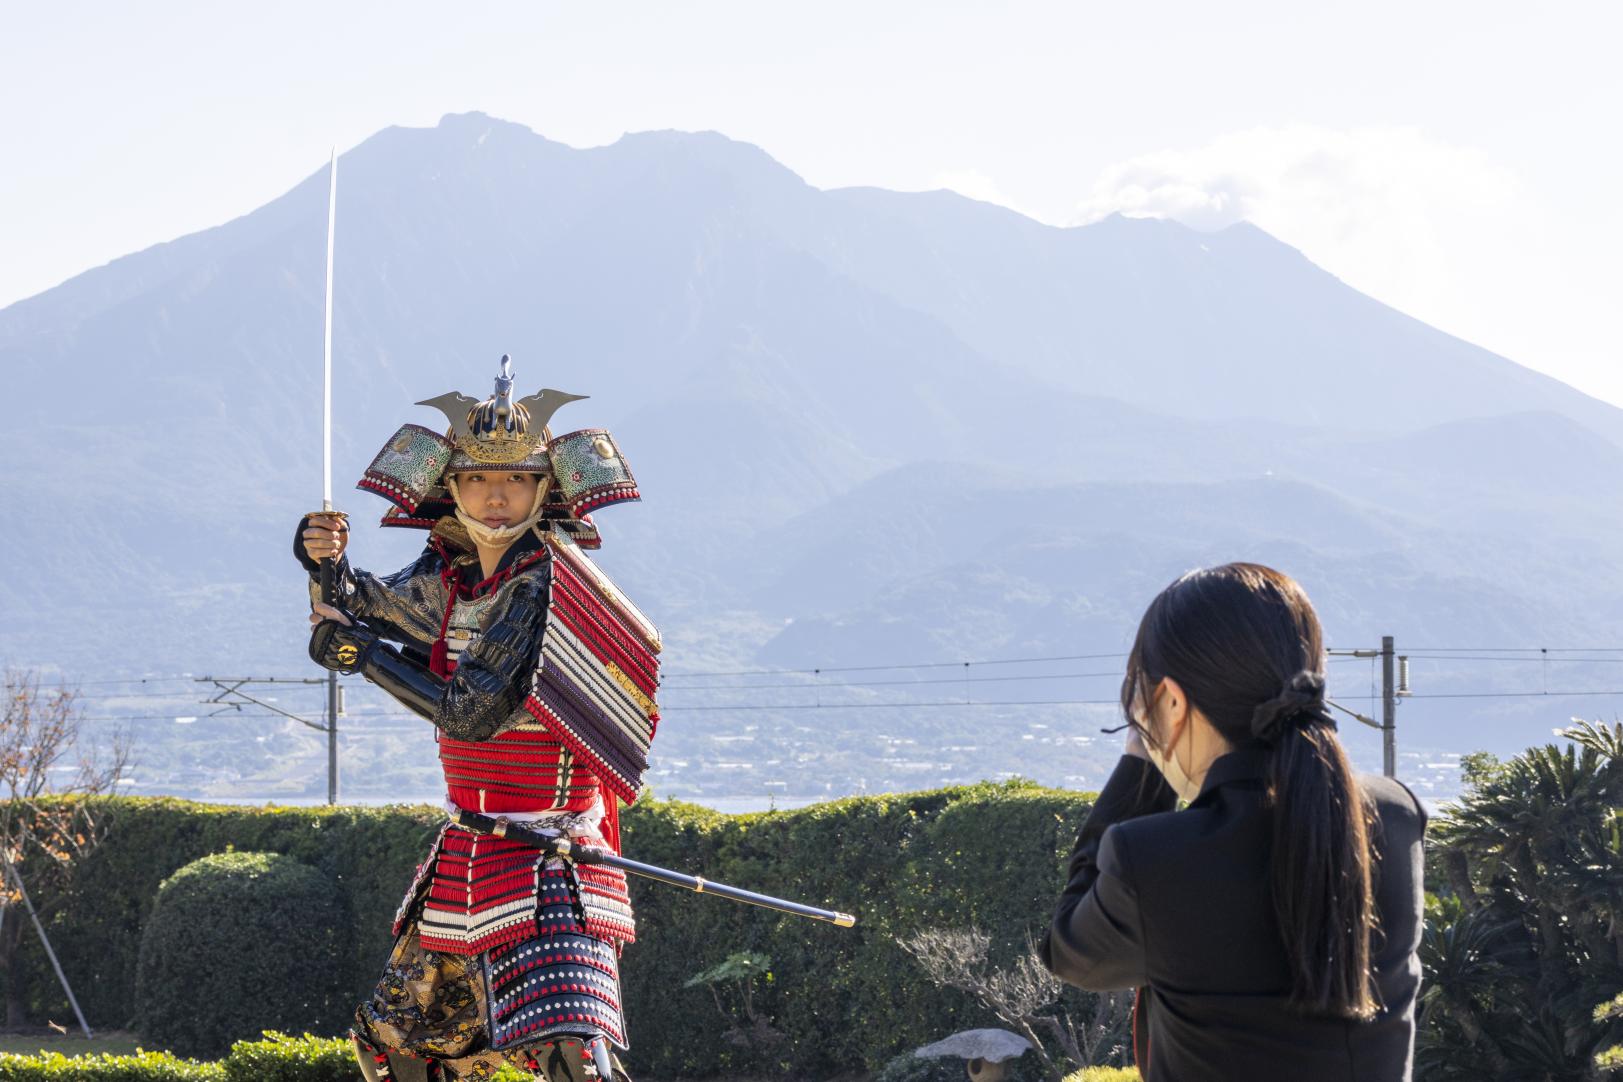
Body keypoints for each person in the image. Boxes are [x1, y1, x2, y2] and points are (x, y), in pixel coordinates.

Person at [297, 356, 660, 1082]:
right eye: (478, 480)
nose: (496, 498)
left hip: (553, 859)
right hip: (470, 846)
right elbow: (366, 604)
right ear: (451, 489)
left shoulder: (545, 585)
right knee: (398, 1050)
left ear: (543, 488)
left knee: (571, 1057)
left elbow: (468, 713)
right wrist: (321, 562)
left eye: (515, 480)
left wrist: (358, 652)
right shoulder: (457, 576)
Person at [1040, 563, 1426, 1082]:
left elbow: (1072, 953)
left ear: (1172, 701)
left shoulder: (1155, 859)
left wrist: (1143, 759)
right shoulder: (1395, 817)